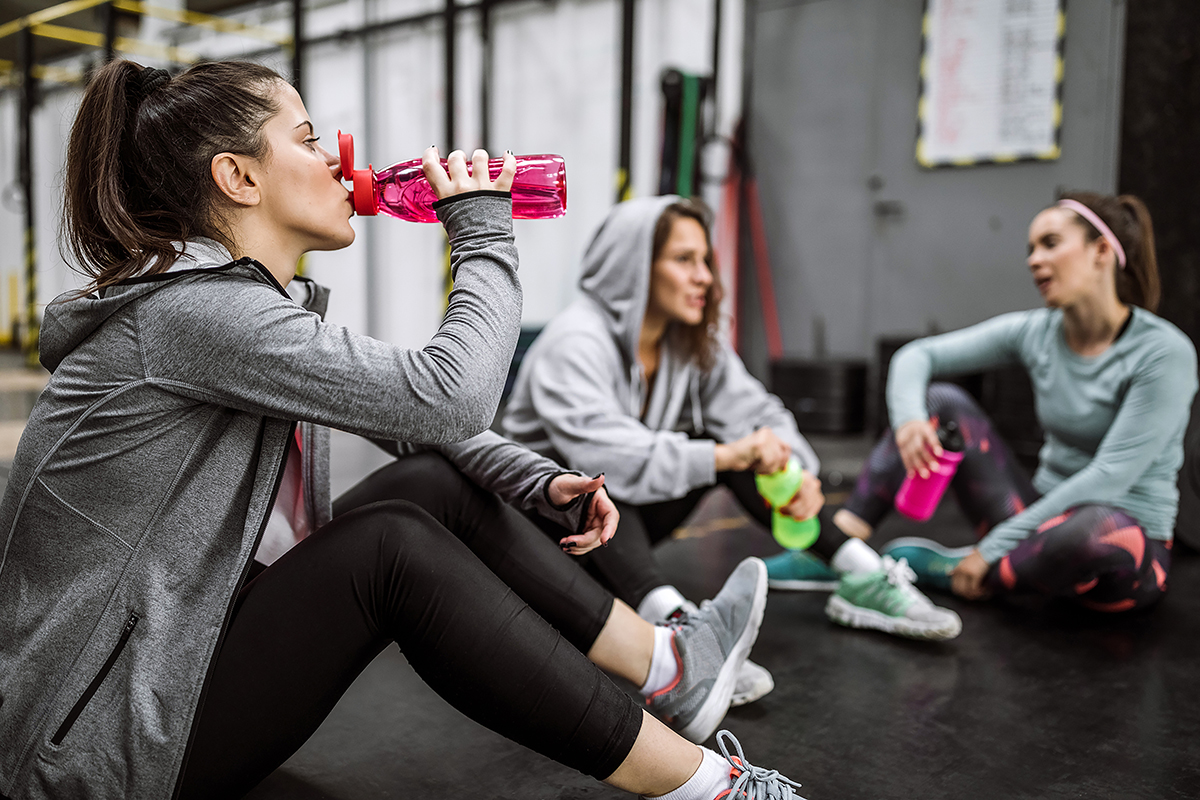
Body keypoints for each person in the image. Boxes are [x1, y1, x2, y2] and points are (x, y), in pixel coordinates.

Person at [0, 60, 807, 800]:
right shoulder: (195, 314)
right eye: (310, 140)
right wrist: (483, 231)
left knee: (431, 485)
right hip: (92, 743)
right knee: (388, 548)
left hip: (175, 662)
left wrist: (532, 478)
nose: (335, 159)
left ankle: (671, 669)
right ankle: (713, 790)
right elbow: (447, 397)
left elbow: (415, 424)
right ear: (238, 177)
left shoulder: (232, 307)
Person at [502, 196, 961, 642]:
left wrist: (796, 470)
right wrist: (728, 454)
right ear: (634, 267)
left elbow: (757, 415)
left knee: (744, 446)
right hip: (540, 540)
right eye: (684, 260)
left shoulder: (688, 340)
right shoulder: (574, 342)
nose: (704, 277)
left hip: (617, 529)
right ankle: (674, 629)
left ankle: (861, 573)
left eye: (705, 260)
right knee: (597, 474)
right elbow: (611, 459)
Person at [838, 192, 1198, 611]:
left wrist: (990, 549)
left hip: (1123, 554)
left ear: (1101, 251)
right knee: (941, 402)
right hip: (1037, 523)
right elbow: (917, 356)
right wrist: (909, 421)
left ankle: (965, 573)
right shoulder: (1035, 332)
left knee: (1097, 526)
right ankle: (838, 550)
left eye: (1050, 243)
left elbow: (1108, 477)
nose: (1032, 259)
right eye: (1030, 249)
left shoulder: (1163, 352)